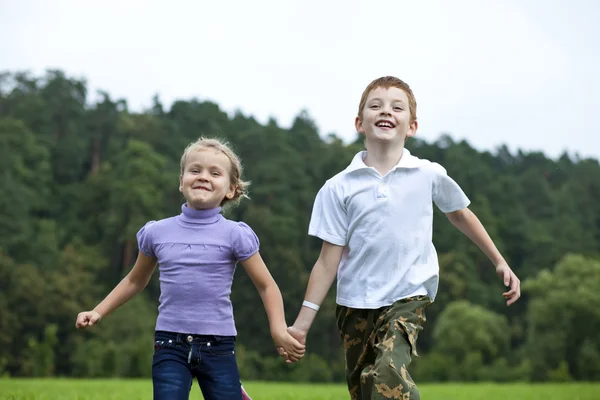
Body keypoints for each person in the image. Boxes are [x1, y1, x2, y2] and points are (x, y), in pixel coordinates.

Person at [287, 76, 521, 399]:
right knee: (366, 391)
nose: (386, 112)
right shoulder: (338, 188)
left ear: (411, 126)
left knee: (387, 374)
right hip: (355, 305)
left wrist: (499, 261)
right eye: (376, 106)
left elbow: (459, 213)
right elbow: (328, 261)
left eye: (397, 107)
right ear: (360, 122)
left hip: (407, 297)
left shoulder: (428, 174)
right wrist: (301, 325)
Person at [76, 137, 305, 400]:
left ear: (231, 189)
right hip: (169, 345)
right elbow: (134, 281)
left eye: (214, 173)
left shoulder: (235, 235)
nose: (203, 177)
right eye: (195, 170)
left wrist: (278, 329)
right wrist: (98, 311)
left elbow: (266, 286)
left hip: (218, 346)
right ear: (181, 181)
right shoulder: (156, 232)